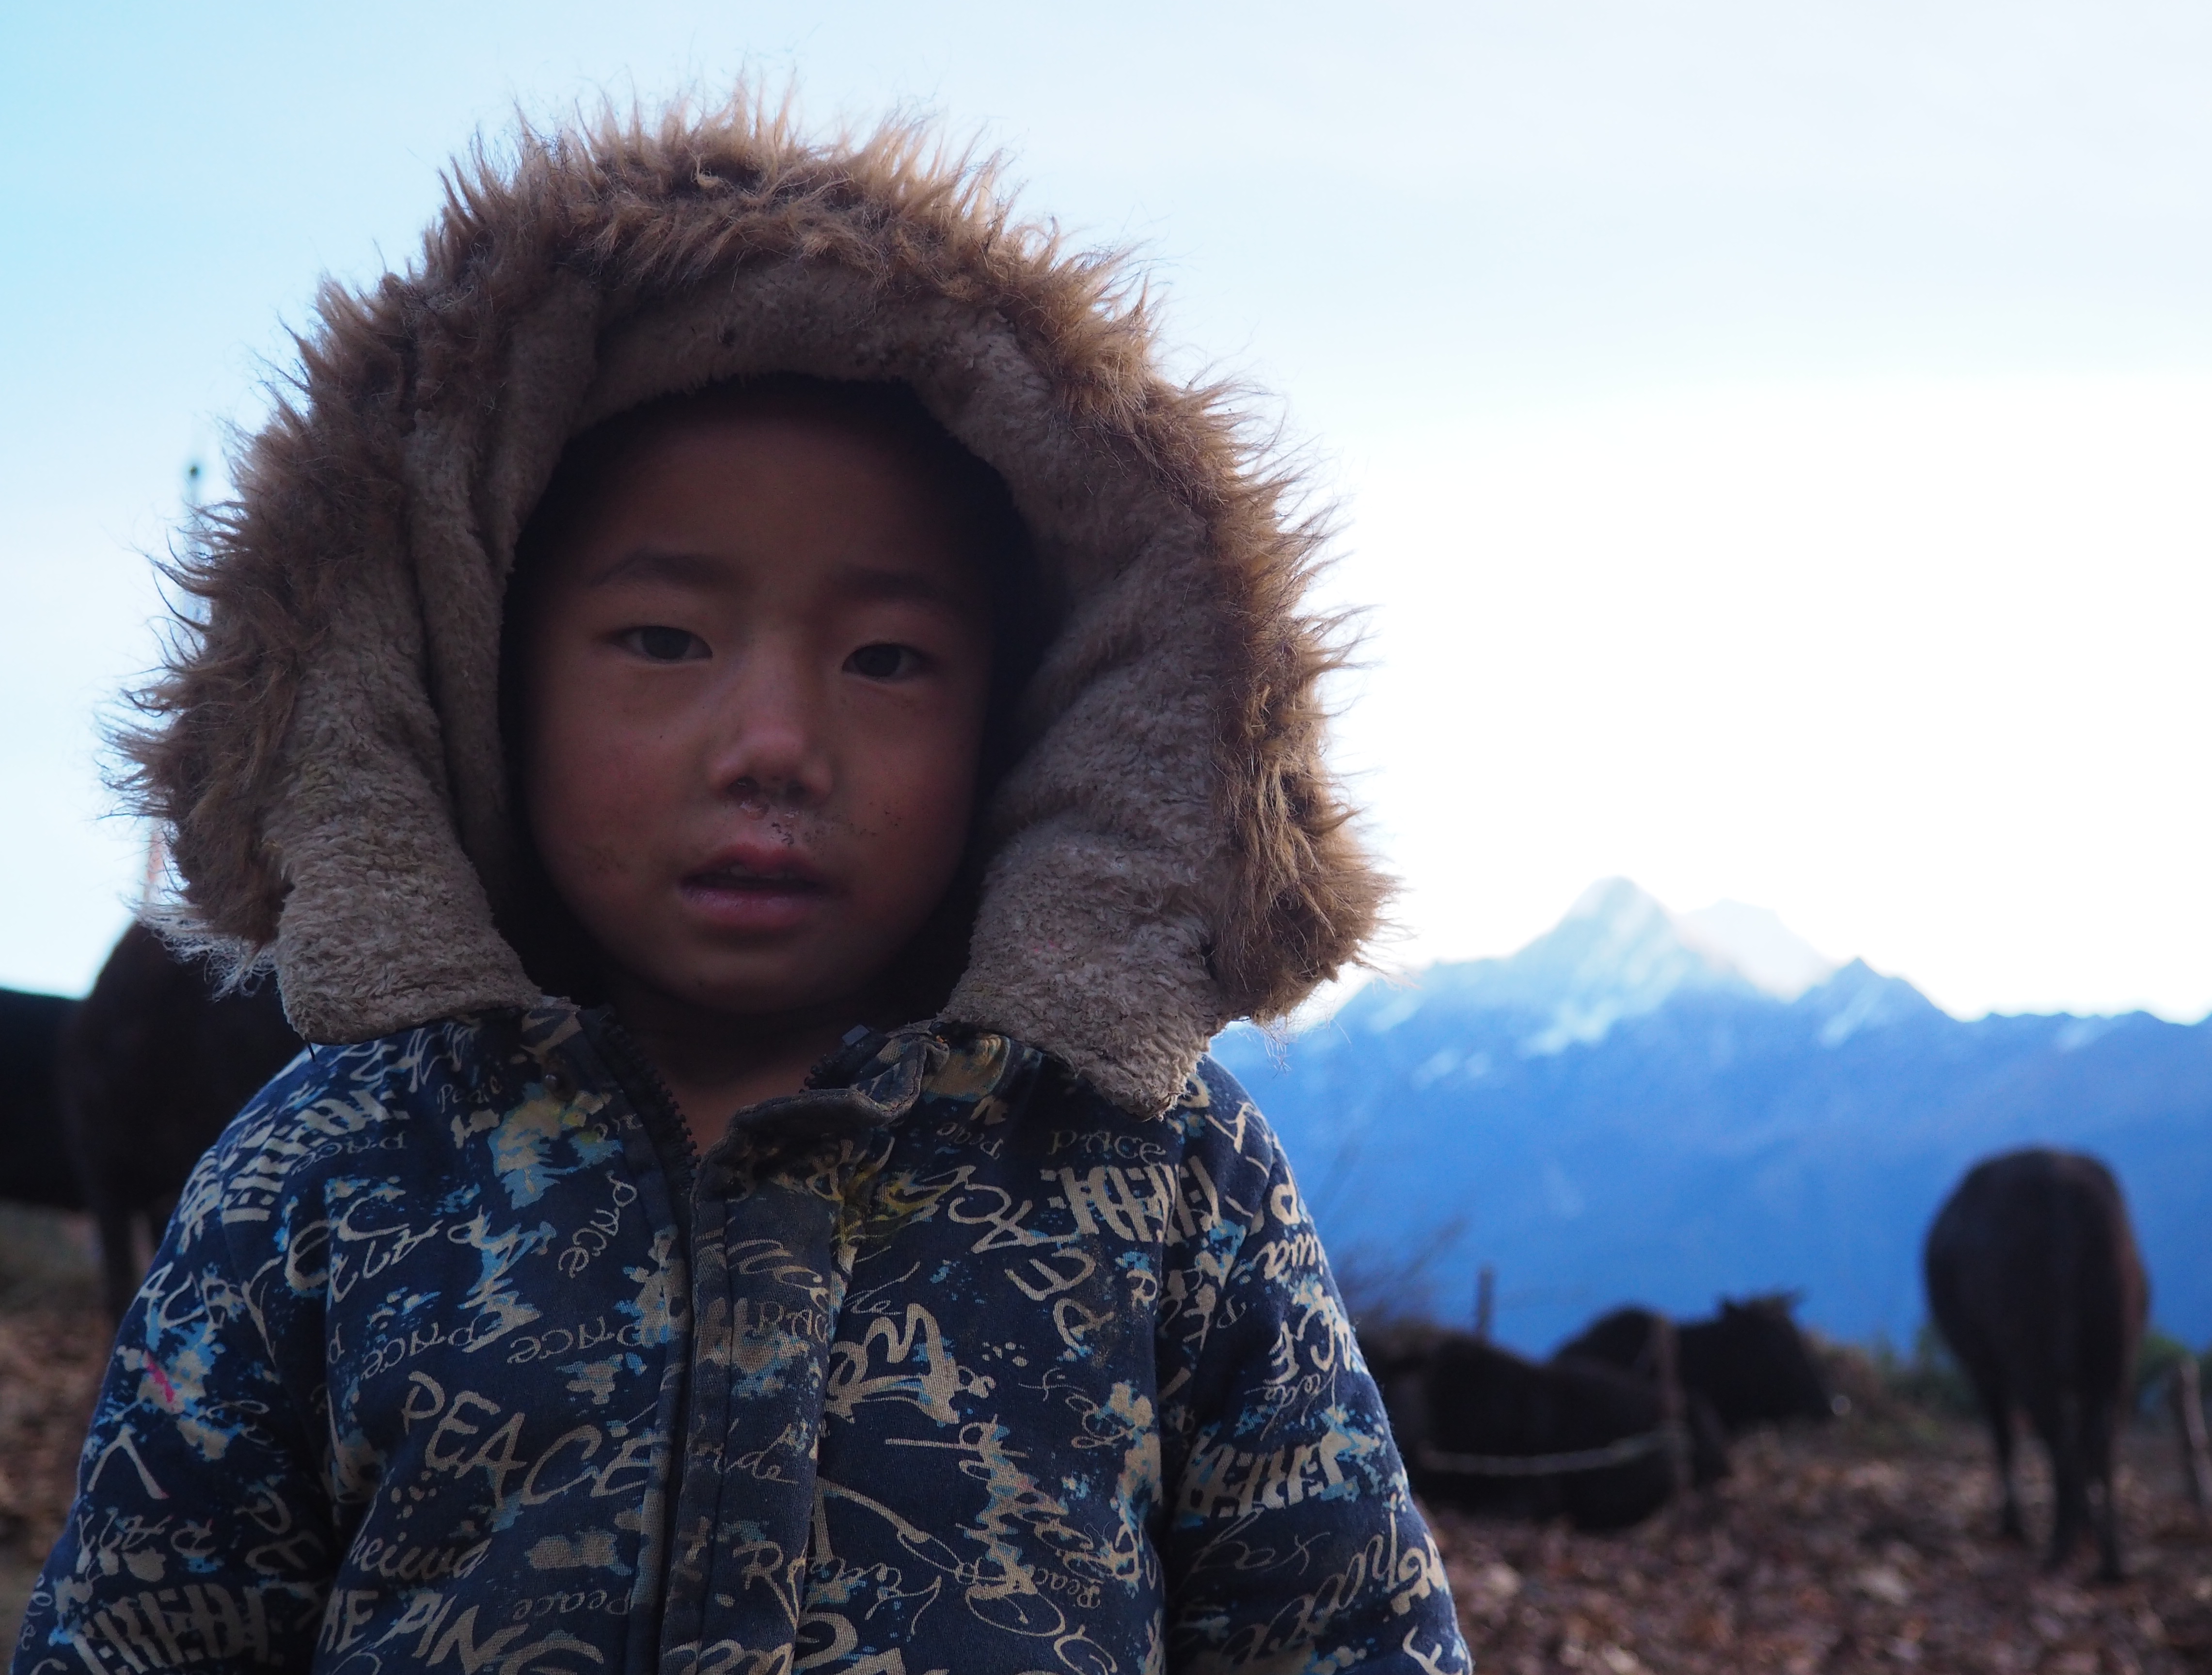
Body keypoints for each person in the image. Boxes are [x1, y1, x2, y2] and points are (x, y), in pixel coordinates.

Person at [17, 100, 1469, 1675]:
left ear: (1033, 715)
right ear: (477, 676)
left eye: (889, 658)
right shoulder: (324, 1176)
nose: (777, 744)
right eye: (663, 640)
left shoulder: (1166, 1181)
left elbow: (1347, 1635)